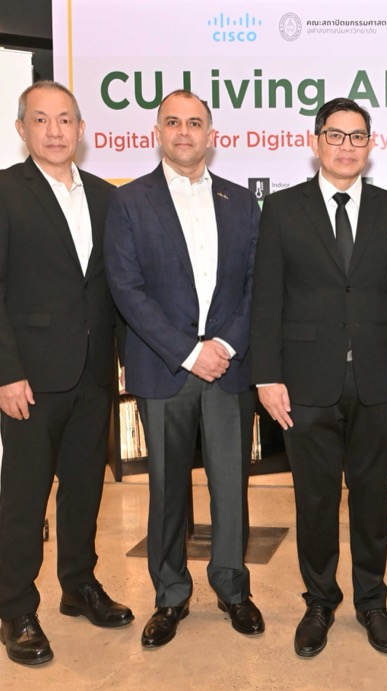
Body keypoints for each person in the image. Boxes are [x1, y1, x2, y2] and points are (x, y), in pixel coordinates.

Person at [250, 97, 387, 658]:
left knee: (373, 500)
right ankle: (320, 602)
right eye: (335, 134)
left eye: (356, 137)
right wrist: (266, 375)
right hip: (305, 384)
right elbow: (266, 297)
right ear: (315, 141)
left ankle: (372, 602)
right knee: (315, 501)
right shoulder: (282, 209)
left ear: (370, 145)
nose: (346, 146)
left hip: (376, 382)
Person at [0, 80, 134, 666]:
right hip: (30, 379)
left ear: (81, 129)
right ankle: (15, 609)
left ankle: (78, 585)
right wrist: (3, 372)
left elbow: (113, 287)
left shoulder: (107, 198)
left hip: (93, 374)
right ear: (22, 129)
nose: (54, 131)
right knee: (25, 496)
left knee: (85, 491)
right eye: (41, 120)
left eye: (65, 120)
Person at [104, 90, 262, 648]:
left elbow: (257, 284)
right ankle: (170, 594)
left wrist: (224, 344)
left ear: (211, 135)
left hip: (229, 368)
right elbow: (126, 288)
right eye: (173, 122)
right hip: (164, 368)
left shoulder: (241, 202)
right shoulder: (129, 202)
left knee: (230, 486)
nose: (184, 132)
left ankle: (232, 587)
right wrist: (190, 351)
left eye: (195, 123)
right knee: (167, 490)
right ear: (157, 133)